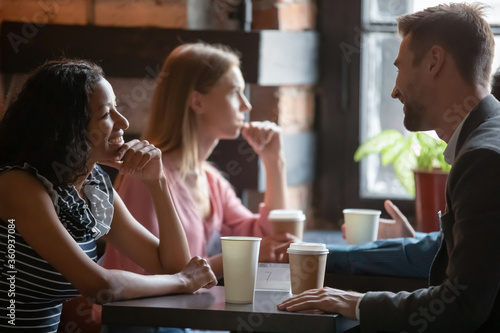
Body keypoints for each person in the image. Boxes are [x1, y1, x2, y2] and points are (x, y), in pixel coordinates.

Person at [279, 3, 500, 332]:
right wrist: (323, 255)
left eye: (399, 68)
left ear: (434, 62)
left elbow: (463, 305)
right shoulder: (487, 136)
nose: (394, 90)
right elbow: (435, 250)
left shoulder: (482, 158)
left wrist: (356, 302)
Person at [0, 59, 217, 332]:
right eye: (105, 115)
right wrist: (185, 281)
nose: (123, 122)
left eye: (117, 109)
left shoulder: (93, 186)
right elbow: (100, 286)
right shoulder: (18, 186)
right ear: (68, 128)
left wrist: (158, 183)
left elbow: (171, 265)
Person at [101, 43, 296, 279]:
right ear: (198, 101)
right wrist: (236, 258)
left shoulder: (210, 180)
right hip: (138, 315)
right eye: (235, 92)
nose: (246, 105)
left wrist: (274, 161)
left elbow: (267, 238)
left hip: (189, 312)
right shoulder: (144, 176)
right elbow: (150, 276)